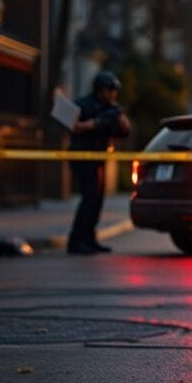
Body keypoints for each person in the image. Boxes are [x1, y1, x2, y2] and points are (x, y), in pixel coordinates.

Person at [67, 70, 131, 255]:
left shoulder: (113, 109)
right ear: (100, 90)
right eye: (109, 90)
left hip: (99, 158)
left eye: (114, 90)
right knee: (89, 198)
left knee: (97, 200)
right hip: (82, 156)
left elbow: (123, 132)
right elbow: (73, 126)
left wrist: (122, 123)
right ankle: (76, 240)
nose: (113, 94)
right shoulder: (83, 105)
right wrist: (93, 124)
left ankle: (89, 239)